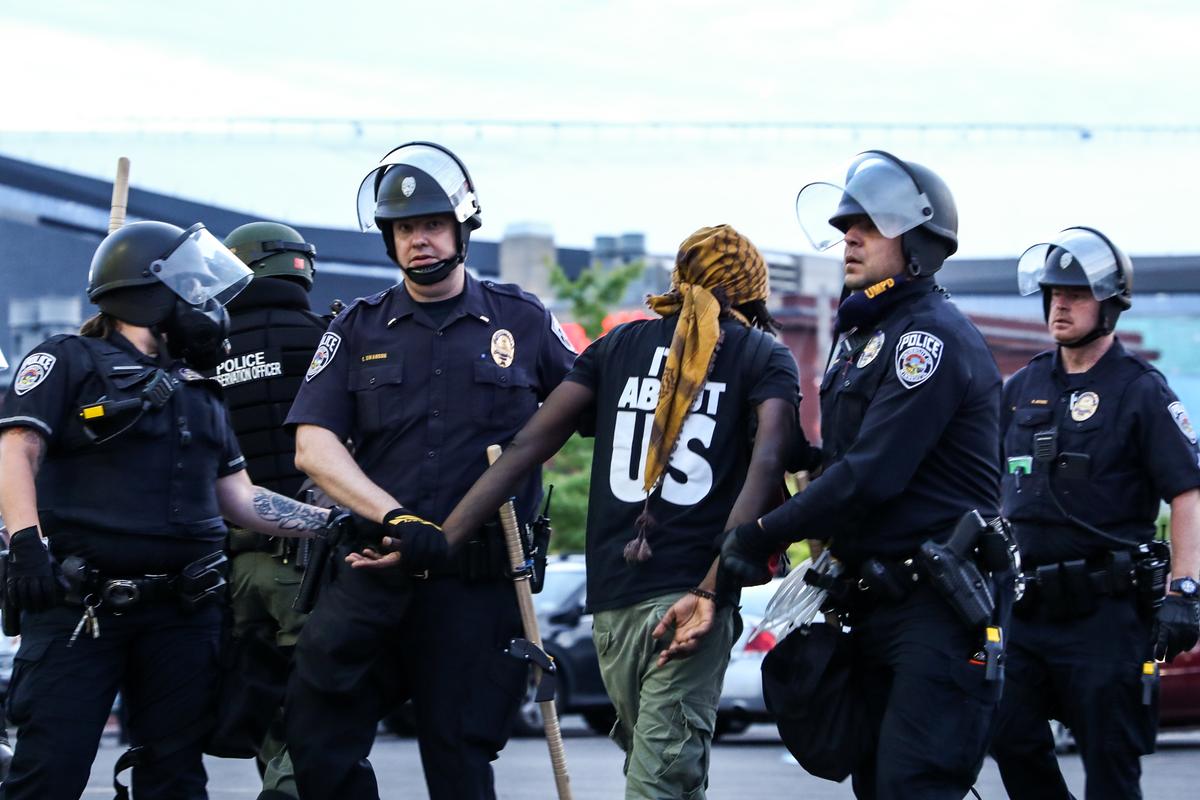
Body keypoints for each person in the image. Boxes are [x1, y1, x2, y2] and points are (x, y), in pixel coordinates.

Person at [356, 223, 812, 799]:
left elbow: (525, 447)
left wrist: (441, 539)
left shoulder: (616, 347)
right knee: (662, 776)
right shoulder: (764, 355)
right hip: (690, 595)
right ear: (751, 291)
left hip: (612, 602)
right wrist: (715, 587)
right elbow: (770, 461)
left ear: (677, 280)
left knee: (659, 773)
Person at [282, 141, 577, 800]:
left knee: (460, 758)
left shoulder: (521, 321)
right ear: (390, 241)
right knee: (318, 740)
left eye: (433, 224)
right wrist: (395, 516)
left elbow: (582, 405)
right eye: (405, 228)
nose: (419, 239)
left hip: (475, 583)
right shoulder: (357, 327)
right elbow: (313, 445)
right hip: (374, 570)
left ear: (462, 229)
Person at [0, 221, 334, 800]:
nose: (205, 301)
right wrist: (26, 544)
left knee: (176, 778)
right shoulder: (65, 361)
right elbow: (15, 448)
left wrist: (334, 524)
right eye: (192, 285)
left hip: (184, 614)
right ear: (148, 291)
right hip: (84, 608)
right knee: (49, 771)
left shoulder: (199, 391)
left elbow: (240, 498)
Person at [720, 151, 1005, 799]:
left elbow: (874, 475)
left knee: (912, 786)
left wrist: (760, 533)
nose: (849, 235)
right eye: (848, 224)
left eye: (870, 225)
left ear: (919, 243)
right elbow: (844, 465)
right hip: (873, 603)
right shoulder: (862, 337)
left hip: (936, 609)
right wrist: (791, 450)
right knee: (876, 785)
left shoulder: (927, 340)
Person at [988, 227, 1200, 799]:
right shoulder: (1023, 385)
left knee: (1110, 767)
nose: (1060, 304)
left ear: (1109, 304)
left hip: (1105, 615)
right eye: (1053, 293)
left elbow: (1188, 493)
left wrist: (1185, 589)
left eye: (1076, 294)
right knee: (1007, 736)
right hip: (1027, 611)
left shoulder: (1142, 391)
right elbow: (988, 486)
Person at [207, 221, 329, 799]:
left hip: (227, 568)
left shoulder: (204, 351)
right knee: (315, 708)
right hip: (308, 563)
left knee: (257, 697)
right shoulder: (329, 339)